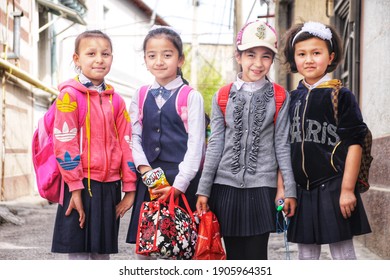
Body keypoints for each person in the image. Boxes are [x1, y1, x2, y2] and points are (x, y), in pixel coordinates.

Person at [196, 20, 297, 260]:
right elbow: (215, 145)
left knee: (256, 256)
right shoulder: (223, 95)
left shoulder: (280, 96)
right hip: (225, 188)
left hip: (263, 188)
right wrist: (204, 190)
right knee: (232, 256)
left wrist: (289, 190)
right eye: (251, 54)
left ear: (272, 60)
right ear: (238, 56)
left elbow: (282, 145)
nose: (258, 63)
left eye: (266, 56)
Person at [282, 21, 371, 259]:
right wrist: (286, 189)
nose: (309, 59)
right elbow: (281, 147)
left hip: (333, 187)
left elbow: (355, 143)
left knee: (342, 254)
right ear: (294, 58)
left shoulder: (340, 95)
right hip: (302, 191)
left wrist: (347, 190)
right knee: (306, 256)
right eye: (301, 54)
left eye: (316, 52)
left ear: (330, 57)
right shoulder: (290, 99)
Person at [51, 30, 137, 260]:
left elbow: (127, 142)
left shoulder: (117, 100)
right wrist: (75, 189)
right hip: (78, 182)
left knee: (102, 254)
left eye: (105, 53)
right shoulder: (69, 96)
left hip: (109, 186)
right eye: (91, 53)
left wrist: (129, 189)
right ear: (77, 59)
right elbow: (64, 142)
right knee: (78, 253)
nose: (99, 59)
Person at [126, 26, 206, 249]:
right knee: (145, 247)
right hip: (150, 179)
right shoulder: (140, 95)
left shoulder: (191, 97)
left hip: (183, 181)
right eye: (152, 56)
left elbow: (196, 145)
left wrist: (179, 185)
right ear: (145, 59)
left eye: (167, 55)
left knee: (181, 247)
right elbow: (135, 137)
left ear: (180, 59)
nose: (159, 61)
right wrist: (145, 170)